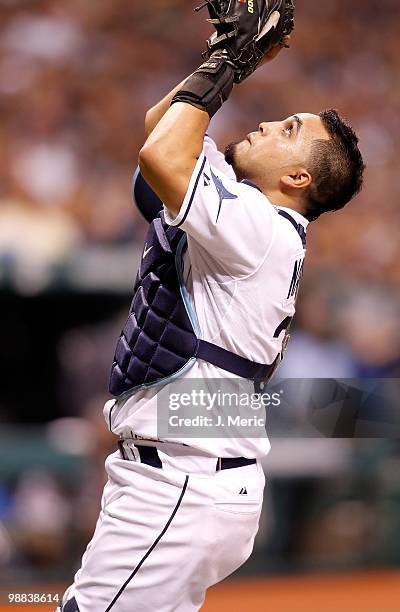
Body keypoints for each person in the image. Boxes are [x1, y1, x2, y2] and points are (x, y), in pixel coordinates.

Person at [58, 34, 364, 612]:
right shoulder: (246, 217)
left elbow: (162, 154)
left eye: (289, 132)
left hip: (181, 482)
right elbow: (160, 132)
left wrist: (230, 63)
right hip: (187, 480)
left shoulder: (260, 229)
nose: (271, 124)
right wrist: (226, 62)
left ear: (298, 180)